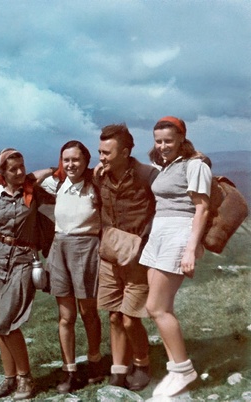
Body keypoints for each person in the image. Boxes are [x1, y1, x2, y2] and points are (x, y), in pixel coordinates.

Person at [139, 116, 211, 397]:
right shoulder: (167, 165)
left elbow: (202, 208)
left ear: (181, 137)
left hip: (179, 233)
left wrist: (191, 249)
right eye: (158, 141)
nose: (163, 145)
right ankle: (175, 368)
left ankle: (184, 370)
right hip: (159, 232)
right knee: (158, 307)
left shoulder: (195, 164)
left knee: (157, 307)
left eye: (169, 140)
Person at [0, 148, 44, 400]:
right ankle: (9, 379)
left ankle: (25, 379)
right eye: (13, 169)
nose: (20, 172)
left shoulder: (33, 191)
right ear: (2, 171)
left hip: (23, 260)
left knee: (7, 320)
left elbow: (52, 171)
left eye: (22, 166)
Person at [94, 123, 158, 390]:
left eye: (107, 153)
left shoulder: (147, 175)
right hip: (109, 254)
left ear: (125, 152)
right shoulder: (100, 176)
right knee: (113, 316)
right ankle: (119, 369)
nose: (101, 158)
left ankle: (142, 364)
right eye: (99, 152)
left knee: (131, 317)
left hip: (137, 257)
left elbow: (167, 202)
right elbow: (64, 172)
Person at [38, 140, 104, 393]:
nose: (71, 164)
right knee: (66, 316)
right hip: (60, 249)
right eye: (66, 159)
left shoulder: (95, 187)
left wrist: (94, 172)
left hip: (87, 249)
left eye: (76, 159)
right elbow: (30, 180)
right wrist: (54, 170)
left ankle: (95, 362)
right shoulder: (58, 184)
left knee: (88, 313)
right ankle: (70, 370)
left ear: (86, 161)